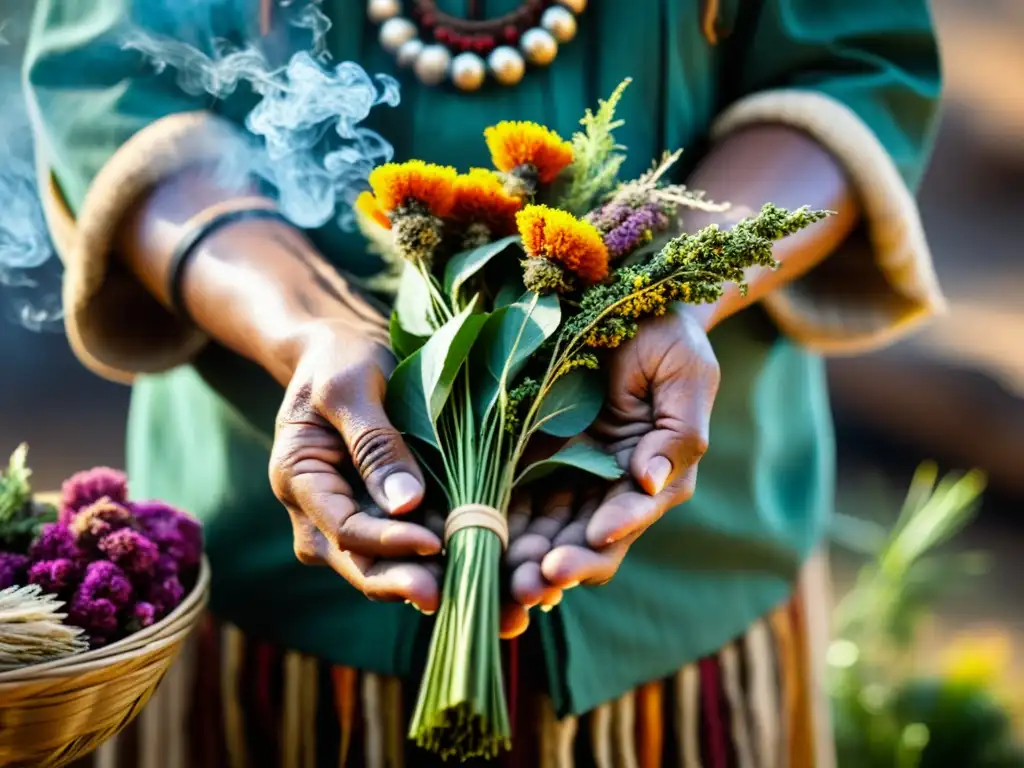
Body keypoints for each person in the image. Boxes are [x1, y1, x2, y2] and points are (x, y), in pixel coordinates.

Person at [24, 0, 944, 765]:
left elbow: (854, 58)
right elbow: (112, 80)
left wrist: (667, 290)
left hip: (684, 575)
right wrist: (306, 325)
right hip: (266, 570)